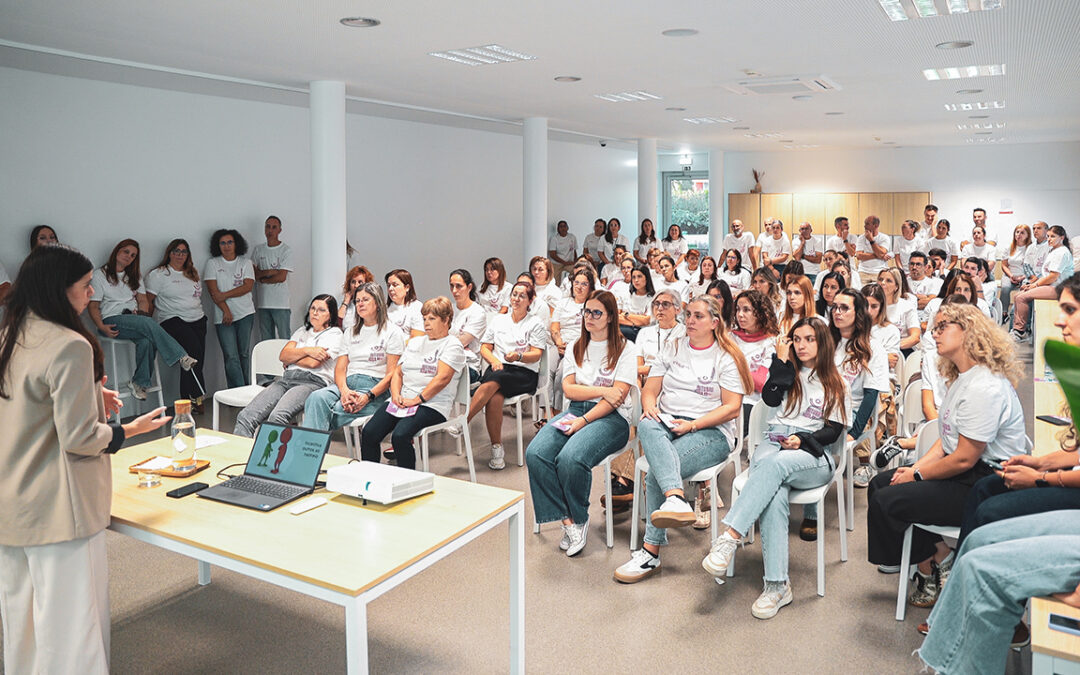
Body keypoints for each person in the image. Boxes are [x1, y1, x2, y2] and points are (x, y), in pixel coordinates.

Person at [0, 244, 171, 674]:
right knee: (72, 625)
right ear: (60, 290)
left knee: (23, 622)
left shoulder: (12, 335)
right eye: (84, 285)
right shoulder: (69, 345)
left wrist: (93, 393)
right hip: (61, 506)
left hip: (13, 502)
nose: (90, 291)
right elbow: (78, 438)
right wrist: (127, 430)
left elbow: (28, 406)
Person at [867, 304, 1027, 610]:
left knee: (887, 501)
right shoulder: (962, 378)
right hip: (964, 471)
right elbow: (945, 441)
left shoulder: (984, 386)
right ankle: (938, 556)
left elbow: (965, 458)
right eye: (934, 328)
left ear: (968, 332)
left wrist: (916, 475)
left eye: (942, 328)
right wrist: (915, 469)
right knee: (880, 484)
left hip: (987, 482)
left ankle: (931, 566)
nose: (933, 333)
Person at [701, 317, 850, 619]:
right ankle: (777, 586)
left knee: (775, 464)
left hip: (813, 454)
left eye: (809, 339)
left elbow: (833, 432)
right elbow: (769, 396)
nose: (802, 345)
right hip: (774, 441)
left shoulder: (837, 381)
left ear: (822, 343)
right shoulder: (788, 373)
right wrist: (780, 362)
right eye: (797, 339)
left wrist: (802, 438)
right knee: (775, 492)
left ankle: (729, 537)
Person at [614, 296, 751, 583]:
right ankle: (675, 498)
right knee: (647, 424)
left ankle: (650, 553)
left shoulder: (727, 355)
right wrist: (650, 405)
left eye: (698, 316)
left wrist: (692, 425)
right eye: (688, 314)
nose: (689, 320)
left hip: (711, 431)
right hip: (668, 421)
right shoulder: (674, 347)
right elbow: (651, 388)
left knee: (656, 472)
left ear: (715, 323)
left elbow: (732, 408)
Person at [525, 290, 636, 556]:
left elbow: (616, 398)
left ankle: (580, 517)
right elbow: (570, 390)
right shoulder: (576, 345)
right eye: (586, 311)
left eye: (597, 312)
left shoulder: (626, 349)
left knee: (571, 458)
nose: (590, 317)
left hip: (612, 418)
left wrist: (585, 420)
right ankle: (569, 521)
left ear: (610, 317)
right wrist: (601, 391)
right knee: (536, 453)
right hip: (576, 410)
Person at [359, 297, 467, 470]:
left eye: (432, 319)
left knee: (400, 436)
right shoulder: (416, 342)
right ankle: (369, 477)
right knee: (370, 432)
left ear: (446, 320)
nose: (426, 323)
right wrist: (395, 395)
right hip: (402, 400)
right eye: (424, 319)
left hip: (432, 405)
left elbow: (443, 378)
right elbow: (398, 373)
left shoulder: (452, 345)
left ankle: (408, 483)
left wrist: (417, 400)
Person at [87, 239, 196, 401]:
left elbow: (143, 300)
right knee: (147, 323)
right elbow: (93, 306)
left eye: (133, 255)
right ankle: (181, 356)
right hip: (112, 320)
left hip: (134, 319)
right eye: (126, 252)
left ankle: (139, 382)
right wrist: (101, 326)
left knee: (146, 340)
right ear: (117, 251)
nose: (129, 257)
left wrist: (142, 315)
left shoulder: (133, 275)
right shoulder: (100, 275)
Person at [461, 281, 547, 470]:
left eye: (522, 296)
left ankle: (463, 421)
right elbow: (485, 347)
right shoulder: (499, 320)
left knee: (495, 379)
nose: (516, 299)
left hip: (523, 372)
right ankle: (497, 450)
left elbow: (537, 354)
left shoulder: (535, 323)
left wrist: (519, 356)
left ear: (530, 300)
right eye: (514, 294)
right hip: (499, 368)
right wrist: (494, 360)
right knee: (495, 397)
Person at [234, 295, 342, 437]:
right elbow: (283, 355)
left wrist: (293, 357)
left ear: (330, 315)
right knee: (245, 416)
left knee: (276, 418)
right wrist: (308, 350)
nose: (315, 313)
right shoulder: (302, 331)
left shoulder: (335, 334)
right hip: (286, 379)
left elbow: (313, 363)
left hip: (311, 382)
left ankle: (271, 458)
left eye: (321, 310)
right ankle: (241, 456)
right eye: (313, 308)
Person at [303, 283, 403, 432]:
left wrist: (368, 397)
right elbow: (340, 369)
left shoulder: (393, 332)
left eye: (365, 299)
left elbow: (392, 375)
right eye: (357, 301)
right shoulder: (350, 332)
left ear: (377, 302)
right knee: (316, 398)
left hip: (375, 387)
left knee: (334, 409)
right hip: (346, 384)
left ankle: (312, 450)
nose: (360, 304)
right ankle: (312, 452)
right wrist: (344, 392)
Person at [145, 239, 207, 409]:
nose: (180, 255)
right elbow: (149, 301)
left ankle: (188, 401)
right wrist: (147, 325)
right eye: (176, 251)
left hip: (198, 319)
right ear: (169, 253)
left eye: (183, 251)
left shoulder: (192, 273)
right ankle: (197, 396)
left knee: (195, 360)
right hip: (172, 320)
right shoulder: (158, 274)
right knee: (192, 354)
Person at [204, 229, 256, 388]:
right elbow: (213, 292)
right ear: (217, 246)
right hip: (223, 316)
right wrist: (226, 310)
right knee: (230, 356)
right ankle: (236, 391)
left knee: (244, 354)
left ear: (236, 244)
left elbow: (247, 286)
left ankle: (247, 390)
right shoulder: (212, 263)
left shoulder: (245, 263)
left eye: (230, 242)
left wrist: (224, 295)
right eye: (223, 243)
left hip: (245, 313)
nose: (226, 246)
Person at [1012, 225, 1073, 340]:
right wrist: (1032, 285)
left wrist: (1035, 285)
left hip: (1059, 288)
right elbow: (1046, 275)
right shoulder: (1054, 250)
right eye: (1048, 236)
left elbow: (1053, 276)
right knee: (1018, 295)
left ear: (1062, 237)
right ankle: (1020, 330)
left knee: (1021, 298)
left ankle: (1020, 332)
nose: (1049, 239)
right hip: (1051, 285)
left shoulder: (1061, 252)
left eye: (1053, 236)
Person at [732, 289, 780, 423]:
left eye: (746, 310)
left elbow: (760, 382)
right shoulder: (730, 338)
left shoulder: (771, 343)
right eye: (738, 309)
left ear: (760, 313)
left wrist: (730, 372)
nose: (740, 315)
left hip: (751, 402)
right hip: (724, 397)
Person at [251, 215, 293, 341]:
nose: (270, 230)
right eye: (268, 227)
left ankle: (287, 362)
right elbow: (254, 275)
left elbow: (281, 277)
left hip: (281, 304)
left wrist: (262, 277)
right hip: (263, 302)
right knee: (266, 340)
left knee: (284, 339)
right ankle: (269, 362)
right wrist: (271, 271)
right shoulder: (258, 250)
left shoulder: (286, 250)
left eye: (274, 227)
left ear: (279, 230)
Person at [877, 267, 921, 353]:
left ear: (896, 286)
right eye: (880, 279)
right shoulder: (871, 305)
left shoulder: (907, 306)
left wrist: (890, 347)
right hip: (876, 348)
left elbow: (915, 337)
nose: (882, 283)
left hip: (901, 348)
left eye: (888, 281)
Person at [998, 223, 1032, 313]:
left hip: (1026, 275)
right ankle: (1004, 312)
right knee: (1005, 288)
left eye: (1022, 233)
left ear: (1028, 235)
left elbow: (1033, 267)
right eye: (1017, 232)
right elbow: (1004, 265)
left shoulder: (1031, 248)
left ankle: (1020, 313)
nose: (1018, 235)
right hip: (1010, 274)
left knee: (1025, 289)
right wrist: (1011, 276)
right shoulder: (1009, 247)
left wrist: (1022, 277)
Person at [385, 268, 425, 340]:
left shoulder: (416, 307)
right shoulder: (384, 309)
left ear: (407, 287)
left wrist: (395, 348)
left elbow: (417, 337)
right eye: (388, 285)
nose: (390, 289)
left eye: (395, 285)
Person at [907, 251, 943, 327]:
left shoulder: (934, 283)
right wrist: (921, 297)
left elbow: (930, 302)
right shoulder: (903, 282)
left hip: (925, 321)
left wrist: (910, 297)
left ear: (926, 267)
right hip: (906, 320)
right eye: (912, 264)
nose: (914, 267)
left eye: (918, 264)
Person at [855, 215, 891, 286]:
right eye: (865, 224)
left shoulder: (884, 238)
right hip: (863, 271)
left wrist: (871, 240)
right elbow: (859, 256)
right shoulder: (861, 238)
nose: (865, 226)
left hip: (879, 271)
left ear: (876, 225)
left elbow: (881, 253)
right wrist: (878, 255)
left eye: (867, 224)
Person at [338, 265, 374, 330]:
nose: (356, 285)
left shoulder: (371, 303)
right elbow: (337, 325)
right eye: (353, 282)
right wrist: (345, 302)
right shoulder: (345, 304)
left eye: (360, 282)